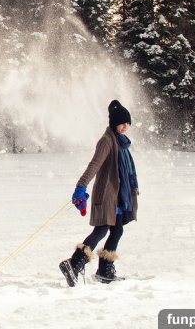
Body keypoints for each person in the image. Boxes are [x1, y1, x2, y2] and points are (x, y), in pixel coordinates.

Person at [59, 100, 139, 286]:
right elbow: (94, 165)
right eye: (122, 123)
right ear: (114, 123)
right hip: (106, 195)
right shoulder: (107, 141)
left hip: (117, 197)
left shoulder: (121, 143)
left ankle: (104, 271)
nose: (125, 126)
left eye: (128, 123)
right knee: (102, 229)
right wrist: (81, 186)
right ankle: (73, 264)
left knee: (117, 230)